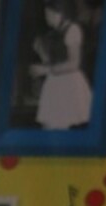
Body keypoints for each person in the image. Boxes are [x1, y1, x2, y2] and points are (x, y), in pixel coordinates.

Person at [30, 2, 93, 130]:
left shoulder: (73, 30)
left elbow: (74, 63)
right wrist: (41, 52)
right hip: (55, 83)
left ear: (60, 13)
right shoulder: (55, 32)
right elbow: (55, 61)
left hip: (68, 85)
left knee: (58, 125)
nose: (47, 18)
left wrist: (46, 70)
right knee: (50, 126)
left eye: (49, 14)